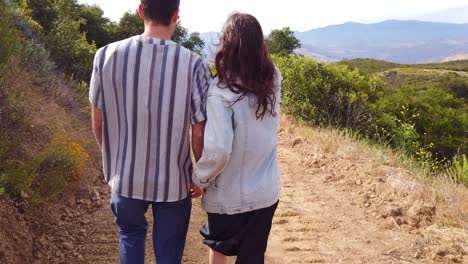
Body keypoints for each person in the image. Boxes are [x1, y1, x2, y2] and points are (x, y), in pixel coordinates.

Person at [89, 0, 210, 263]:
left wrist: (115, 160)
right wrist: (199, 174)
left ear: (141, 11)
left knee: (130, 235)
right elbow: (199, 131)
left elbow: (98, 122)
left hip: (126, 178)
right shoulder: (193, 64)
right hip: (173, 182)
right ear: (176, 15)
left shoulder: (105, 55)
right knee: (168, 252)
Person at [192, 12, 282, 264]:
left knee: (218, 247)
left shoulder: (220, 90)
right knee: (253, 257)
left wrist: (200, 178)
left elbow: (219, 149)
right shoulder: (272, 77)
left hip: (229, 195)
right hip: (266, 191)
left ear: (227, 45)